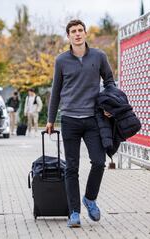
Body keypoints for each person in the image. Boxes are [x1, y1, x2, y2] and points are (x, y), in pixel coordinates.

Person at [46, 19, 115, 227]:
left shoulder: (99, 56)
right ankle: (74, 212)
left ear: (86, 34)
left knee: (99, 161)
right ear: (68, 36)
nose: (77, 34)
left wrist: (109, 104)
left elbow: (109, 82)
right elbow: (55, 91)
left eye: (80, 31)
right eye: (73, 31)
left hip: (93, 119)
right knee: (72, 167)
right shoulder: (61, 60)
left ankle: (90, 199)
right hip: (69, 120)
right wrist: (50, 119)